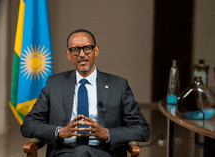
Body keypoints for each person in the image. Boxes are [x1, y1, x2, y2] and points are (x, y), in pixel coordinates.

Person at [20, 29, 151, 157]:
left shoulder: (118, 85)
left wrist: (107, 133)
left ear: (96, 51)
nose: (82, 54)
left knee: (83, 151)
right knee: (81, 152)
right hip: (65, 152)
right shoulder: (55, 84)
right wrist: (60, 131)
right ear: (68, 55)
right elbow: (28, 125)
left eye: (87, 48)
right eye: (75, 50)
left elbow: (143, 130)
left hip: (105, 152)